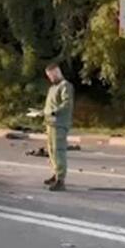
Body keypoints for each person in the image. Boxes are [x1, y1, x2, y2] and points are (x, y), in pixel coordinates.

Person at [41, 63, 74, 191]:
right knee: (51, 151)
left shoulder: (65, 86)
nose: (50, 78)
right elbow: (50, 105)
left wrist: (55, 111)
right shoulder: (52, 88)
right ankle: (55, 174)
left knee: (58, 151)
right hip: (50, 123)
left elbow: (67, 103)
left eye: (51, 75)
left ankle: (61, 179)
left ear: (56, 72)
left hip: (59, 123)